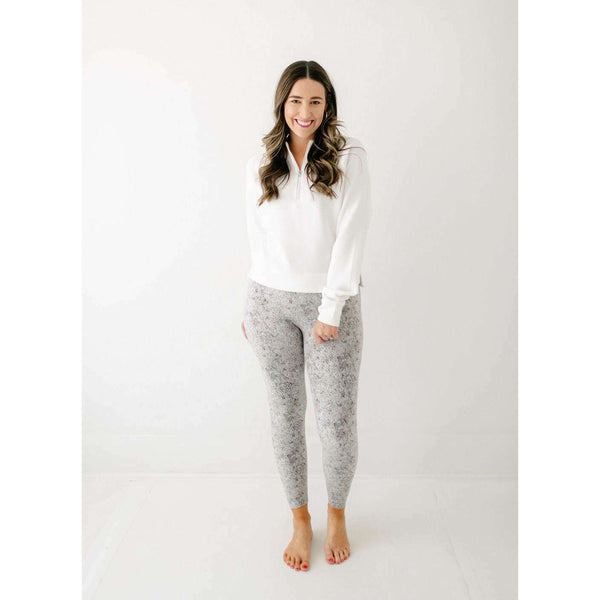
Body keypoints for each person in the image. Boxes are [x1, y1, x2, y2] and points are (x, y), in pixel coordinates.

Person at [241, 60, 372, 572]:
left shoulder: (349, 156)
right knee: (285, 416)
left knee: (336, 423)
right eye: (296, 100)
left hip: (329, 305)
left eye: (316, 101)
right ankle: (300, 519)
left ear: (327, 105)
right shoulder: (261, 159)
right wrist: (250, 303)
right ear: (283, 104)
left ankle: (336, 513)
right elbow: (256, 236)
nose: (305, 111)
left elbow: (352, 236)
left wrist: (331, 308)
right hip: (269, 304)